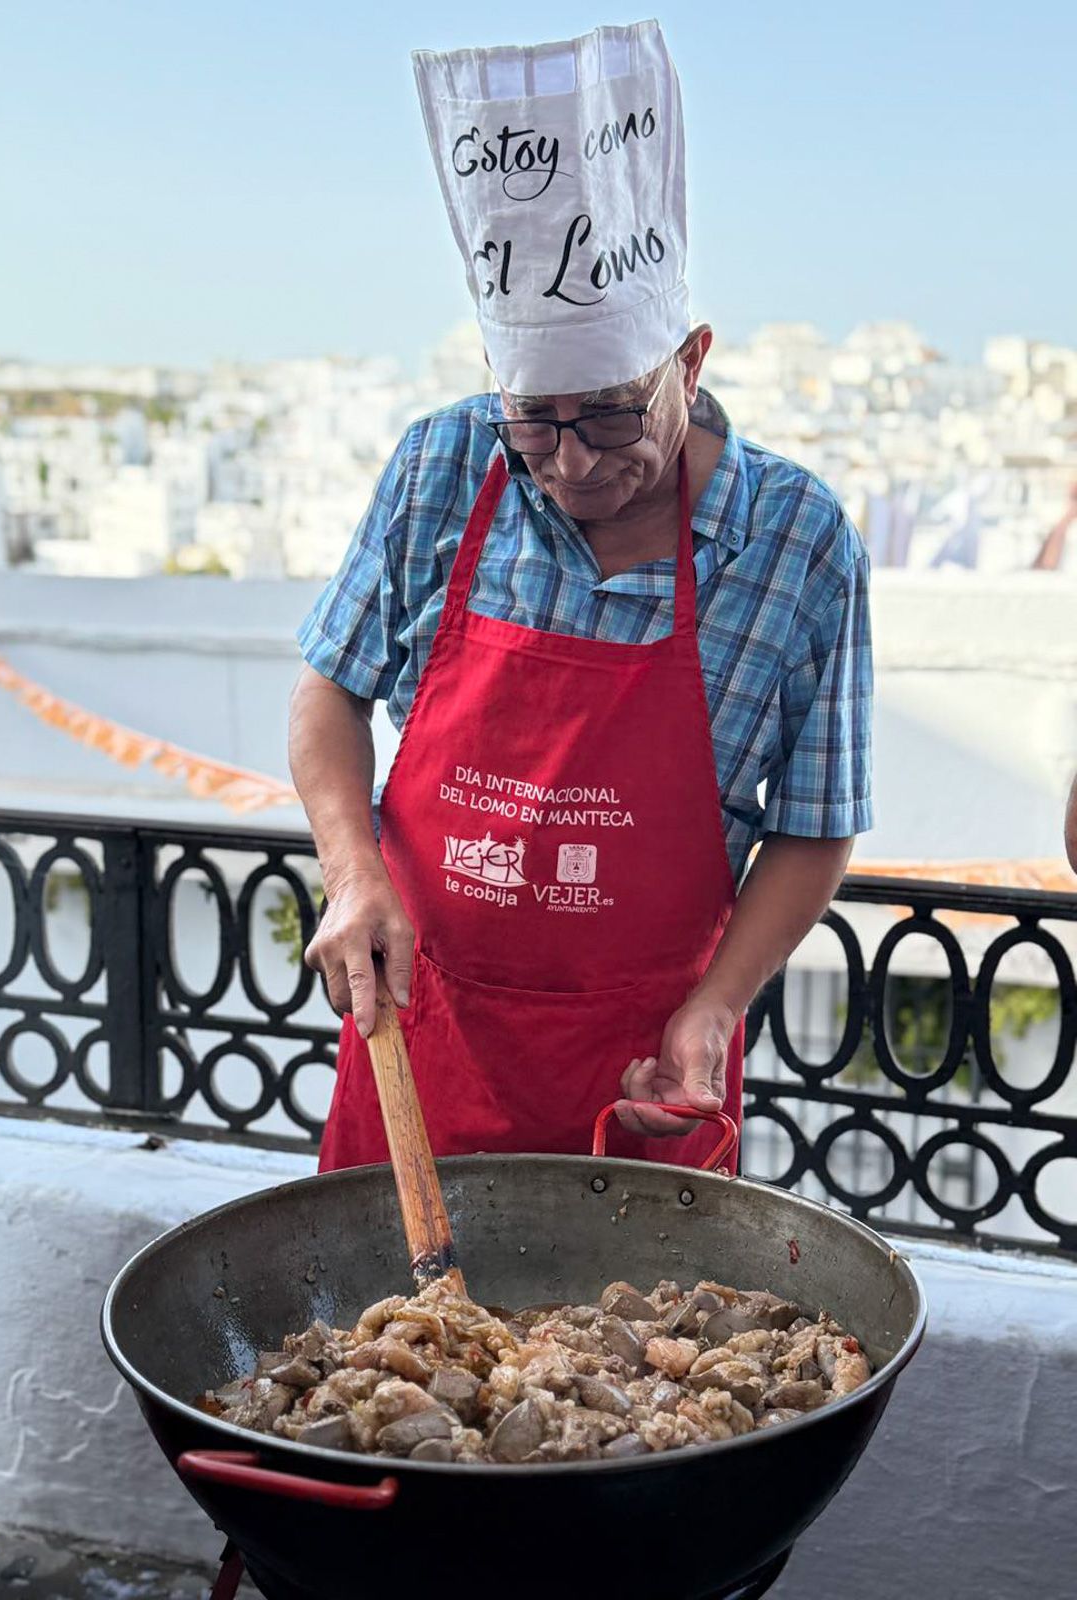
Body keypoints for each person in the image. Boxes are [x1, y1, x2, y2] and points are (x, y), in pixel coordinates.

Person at [289, 22, 872, 1173]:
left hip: (643, 1070)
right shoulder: (441, 465)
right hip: (424, 1046)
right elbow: (327, 691)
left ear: (689, 361)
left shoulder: (799, 541)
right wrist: (353, 870)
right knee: (384, 1348)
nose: (569, 460)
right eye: (533, 419)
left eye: (610, 413)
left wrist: (715, 1007)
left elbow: (815, 824)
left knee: (645, 1353)